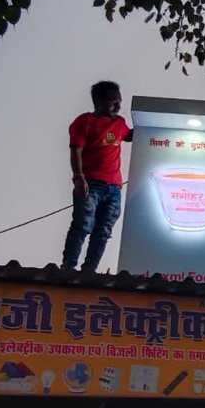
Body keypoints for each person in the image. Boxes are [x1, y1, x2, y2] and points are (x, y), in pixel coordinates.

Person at [61, 81, 133, 271]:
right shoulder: (84, 121)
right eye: (113, 101)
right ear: (99, 100)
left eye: (119, 102)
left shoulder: (119, 123)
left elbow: (133, 135)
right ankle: (68, 267)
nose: (118, 106)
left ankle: (89, 270)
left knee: (103, 231)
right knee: (82, 224)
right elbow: (76, 150)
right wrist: (79, 177)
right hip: (91, 183)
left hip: (114, 187)